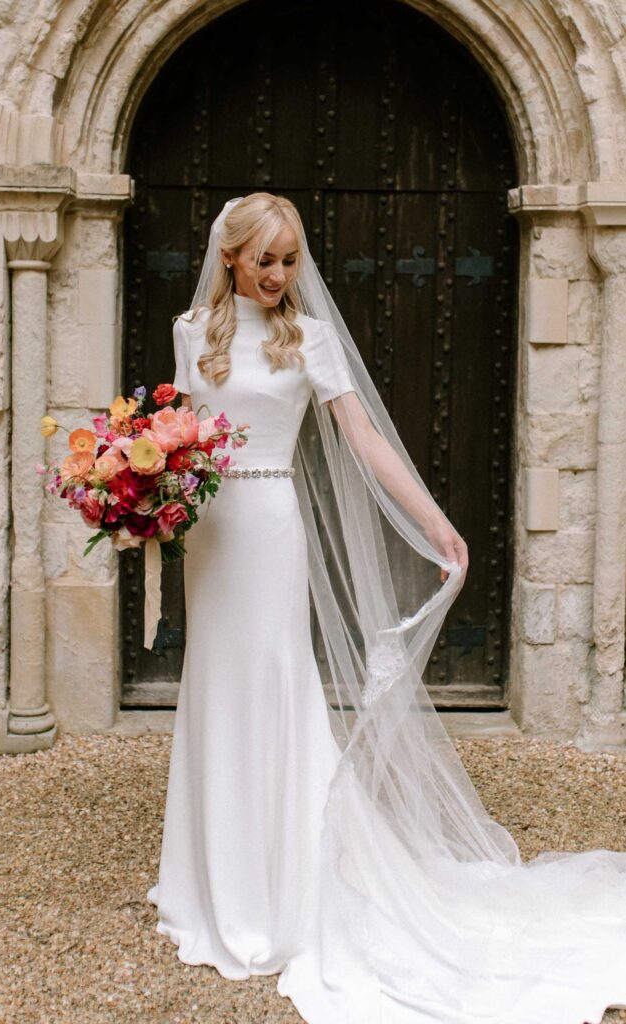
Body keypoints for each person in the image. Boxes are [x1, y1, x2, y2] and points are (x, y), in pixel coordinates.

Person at [147, 193, 626, 1024]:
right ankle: (209, 882)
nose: (278, 275)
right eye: (264, 259)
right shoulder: (194, 332)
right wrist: (137, 495)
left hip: (268, 526)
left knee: (272, 685)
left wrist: (432, 522)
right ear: (229, 257)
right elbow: (180, 434)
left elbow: (363, 436)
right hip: (209, 536)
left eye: (290, 259)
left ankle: (285, 889)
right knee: (215, 690)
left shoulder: (310, 336)